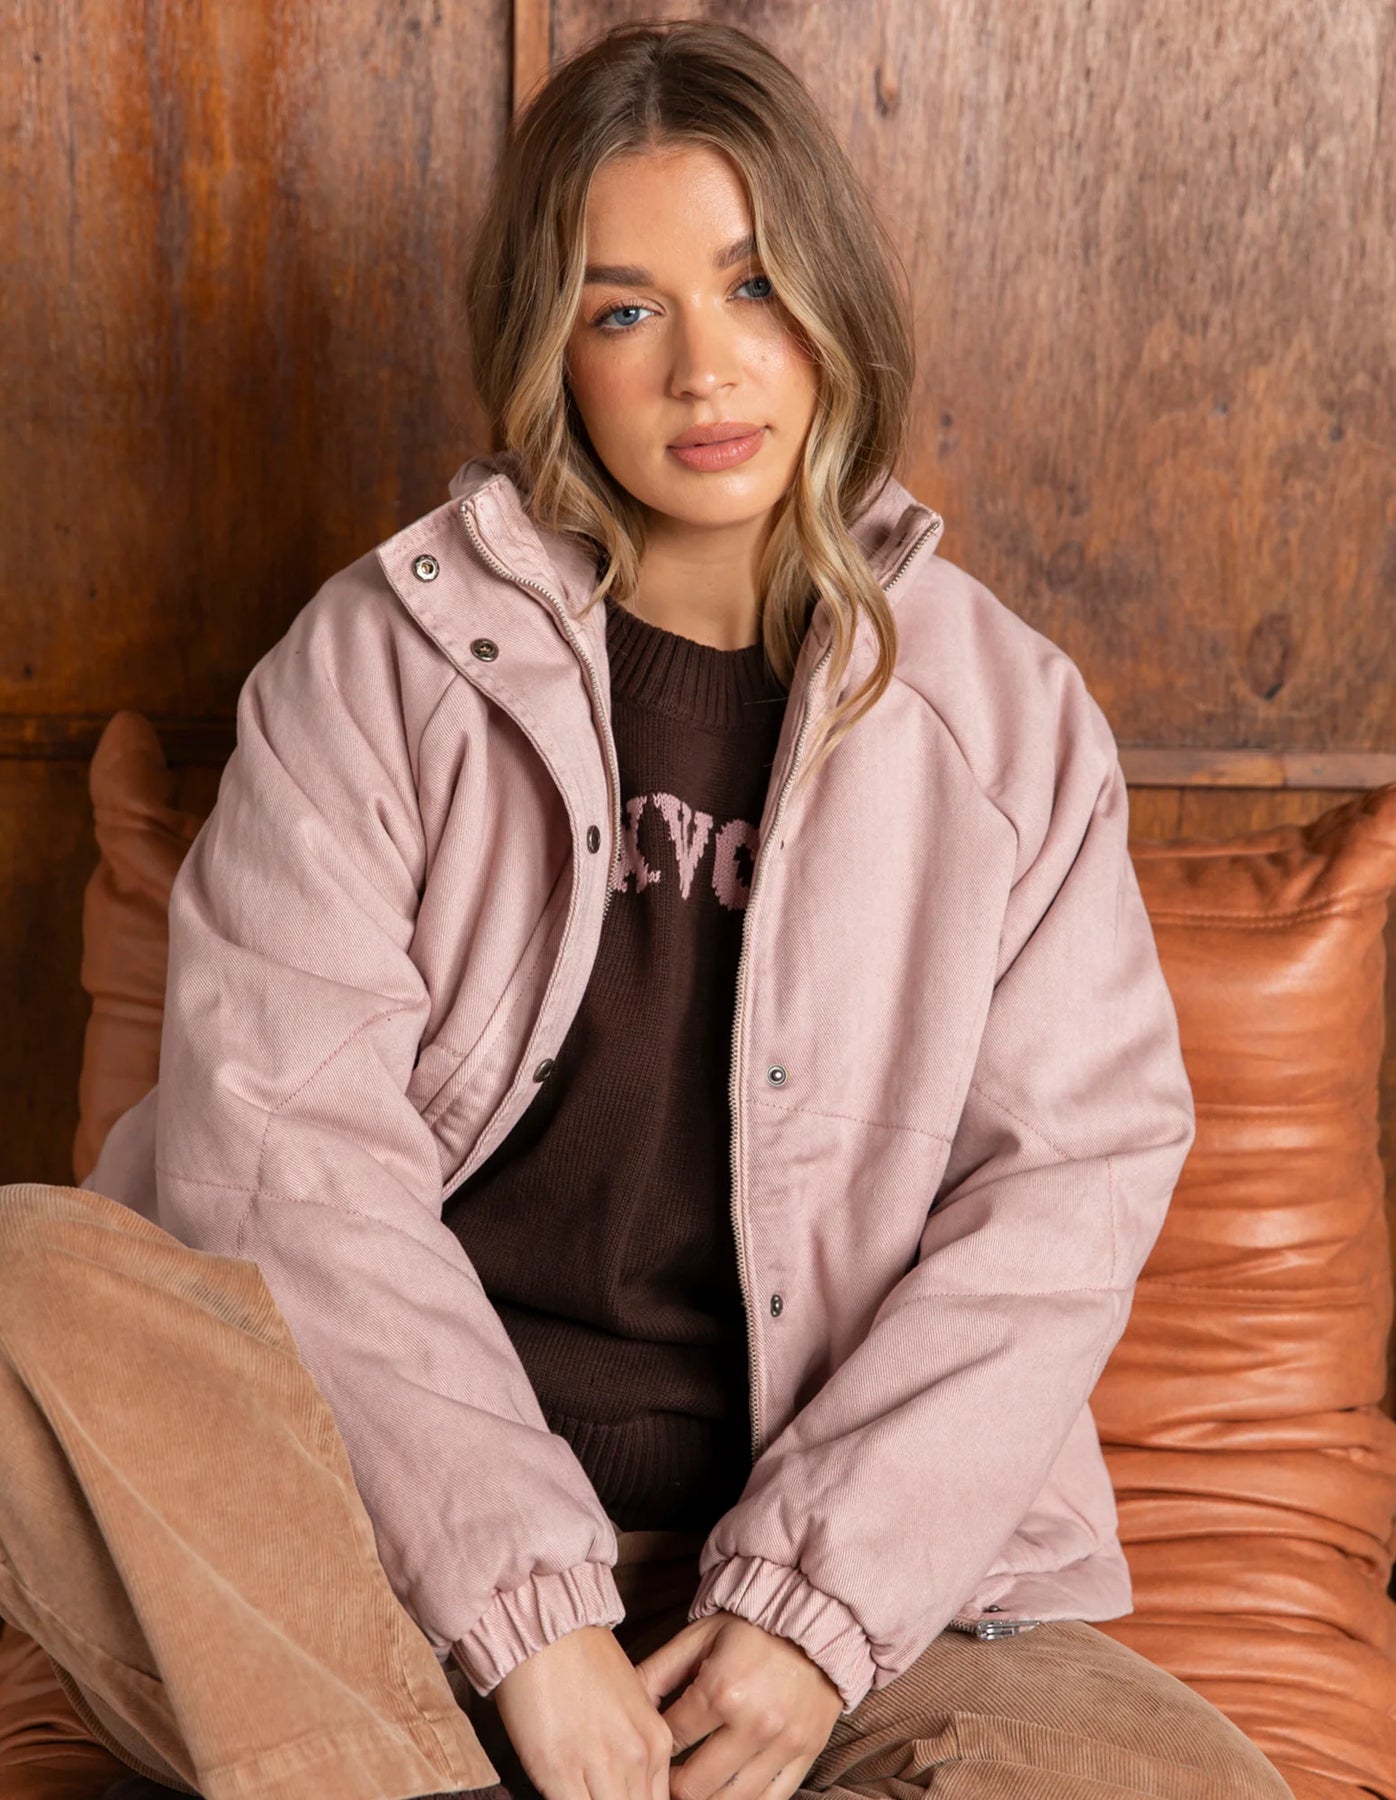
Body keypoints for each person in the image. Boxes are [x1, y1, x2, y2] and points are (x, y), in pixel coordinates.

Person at [0, 19, 1295, 1800]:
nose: (706, 367)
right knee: (27, 1281)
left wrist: (814, 1619)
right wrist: (523, 1620)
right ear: (552, 351)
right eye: (625, 311)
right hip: (376, 1570)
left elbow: (1065, 1196)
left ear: (835, 303)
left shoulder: (1005, 722)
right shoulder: (374, 671)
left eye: (754, 285)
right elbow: (286, 1162)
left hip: (853, 1599)